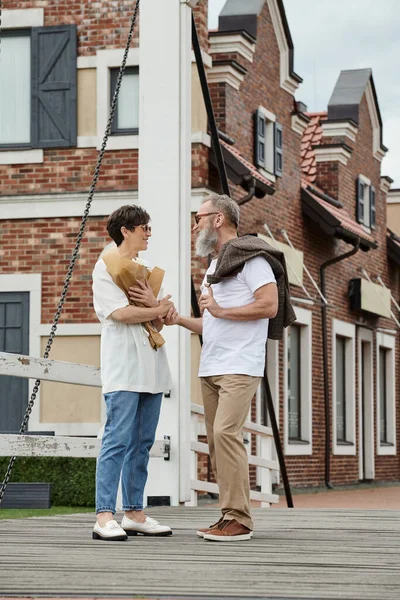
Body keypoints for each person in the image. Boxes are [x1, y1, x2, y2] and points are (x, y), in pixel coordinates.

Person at [163, 193, 294, 542]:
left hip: (240, 364)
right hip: (212, 366)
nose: (194, 225)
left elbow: (268, 305)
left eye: (198, 217)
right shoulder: (215, 265)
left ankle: (240, 519)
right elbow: (212, 325)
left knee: (225, 433)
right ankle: (227, 516)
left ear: (218, 219)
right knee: (217, 443)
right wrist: (179, 321)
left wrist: (219, 311)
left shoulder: (252, 260)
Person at [92, 204, 174, 541]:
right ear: (126, 230)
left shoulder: (140, 269)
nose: (149, 233)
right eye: (144, 227)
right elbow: (120, 313)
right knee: (116, 441)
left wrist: (160, 309)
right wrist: (156, 307)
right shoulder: (106, 267)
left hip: (151, 367)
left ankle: (135, 513)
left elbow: (155, 318)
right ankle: (103, 515)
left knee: (142, 443)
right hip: (124, 368)